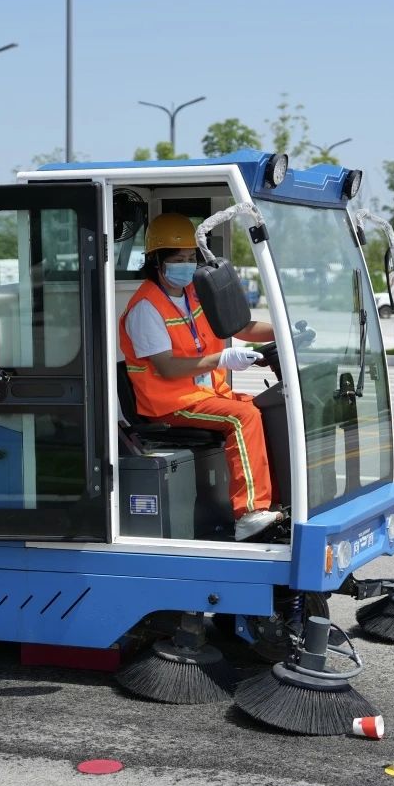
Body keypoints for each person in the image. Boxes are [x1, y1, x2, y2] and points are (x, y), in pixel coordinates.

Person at [118, 213, 280, 541]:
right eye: (178, 260)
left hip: (204, 395)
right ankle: (249, 513)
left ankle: (274, 501)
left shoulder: (196, 292)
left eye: (191, 258)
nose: (187, 265)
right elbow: (167, 367)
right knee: (242, 417)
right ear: (157, 261)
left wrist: (283, 332)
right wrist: (222, 359)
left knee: (267, 407)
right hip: (169, 403)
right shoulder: (146, 308)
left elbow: (240, 327)